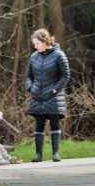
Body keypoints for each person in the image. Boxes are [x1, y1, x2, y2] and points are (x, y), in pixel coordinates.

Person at [26, 28, 70, 162]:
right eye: (34, 44)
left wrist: (55, 89)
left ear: (44, 41)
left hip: (53, 96)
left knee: (55, 124)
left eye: (37, 43)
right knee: (39, 125)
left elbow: (65, 75)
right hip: (37, 96)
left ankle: (55, 154)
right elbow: (28, 76)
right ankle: (38, 155)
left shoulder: (59, 55)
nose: (35, 46)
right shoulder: (34, 56)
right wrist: (30, 87)